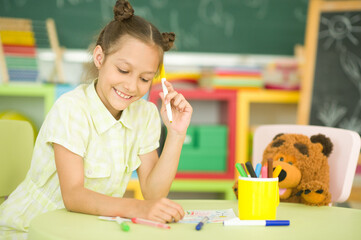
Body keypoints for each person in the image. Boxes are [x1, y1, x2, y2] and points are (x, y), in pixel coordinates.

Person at [0, 0, 192, 239]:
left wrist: (176, 134)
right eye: (123, 70)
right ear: (100, 58)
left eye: (145, 79)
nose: (132, 86)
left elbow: (153, 194)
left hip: (83, 230)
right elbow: (74, 196)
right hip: (28, 229)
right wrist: (138, 208)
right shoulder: (72, 109)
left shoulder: (145, 115)